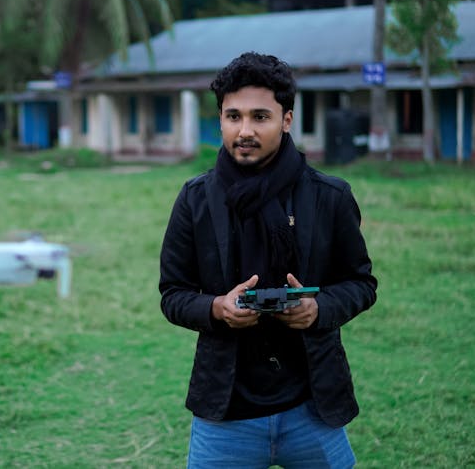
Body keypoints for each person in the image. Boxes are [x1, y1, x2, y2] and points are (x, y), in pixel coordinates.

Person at [159, 52, 377, 468]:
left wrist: (319, 309)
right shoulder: (196, 199)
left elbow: (362, 284)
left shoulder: (329, 197)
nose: (245, 130)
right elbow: (172, 293)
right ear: (220, 120)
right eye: (233, 116)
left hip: (312, 407)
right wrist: (217, 308)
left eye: (260, 116)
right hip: (225, 412)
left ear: (287, 119)